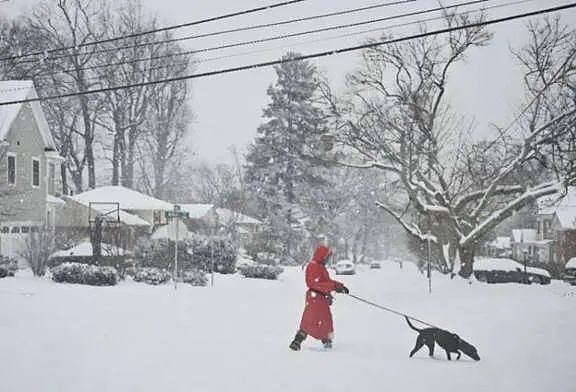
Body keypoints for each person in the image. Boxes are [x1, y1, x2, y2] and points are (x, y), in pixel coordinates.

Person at [289, 244, 349, 351]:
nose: (328, 259)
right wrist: (333, 286)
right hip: (315, 298)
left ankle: (326, 341)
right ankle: (297, 342)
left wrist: (340, 286)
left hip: (321, 298)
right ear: (322, 255)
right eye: (327, 257)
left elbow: (326, 281)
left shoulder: (320, 267)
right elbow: (313, 283)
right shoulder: (313, 266)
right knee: (310, 320)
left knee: (325, 320)